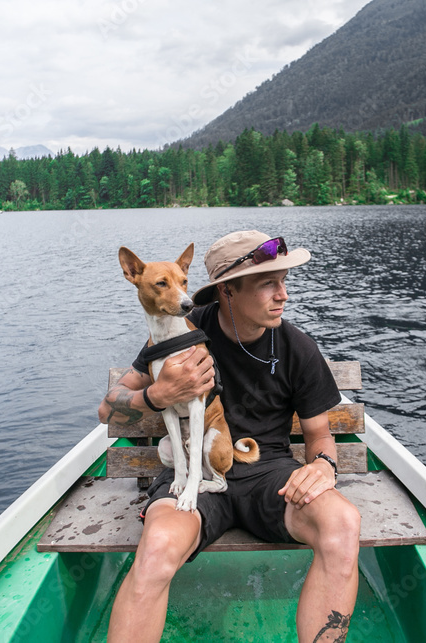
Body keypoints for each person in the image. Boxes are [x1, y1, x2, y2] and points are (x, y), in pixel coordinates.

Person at [98, 230, 361, 643]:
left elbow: (319, 436)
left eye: (284, 282)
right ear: (227, 291)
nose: (283, 295)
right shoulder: (178, 329)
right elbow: (107, 407)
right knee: (156, 549)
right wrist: (155, 395)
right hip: (193, 471)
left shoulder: (298, 348)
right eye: (267, 284)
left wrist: (324, 466)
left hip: (269, 474)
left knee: (343, 523)